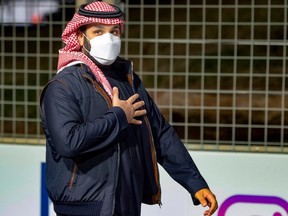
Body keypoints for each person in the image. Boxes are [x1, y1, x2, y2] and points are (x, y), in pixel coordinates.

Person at [40, 1, 218, 216]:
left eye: (114, 32)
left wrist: (195, 182)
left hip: (127, 203)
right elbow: (69, 142)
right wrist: (118, 117)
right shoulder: (63, 86)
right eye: (98, 31)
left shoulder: (126, 80)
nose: (109, 38)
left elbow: (159, 133)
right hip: (85, 207)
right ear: (79, 37)